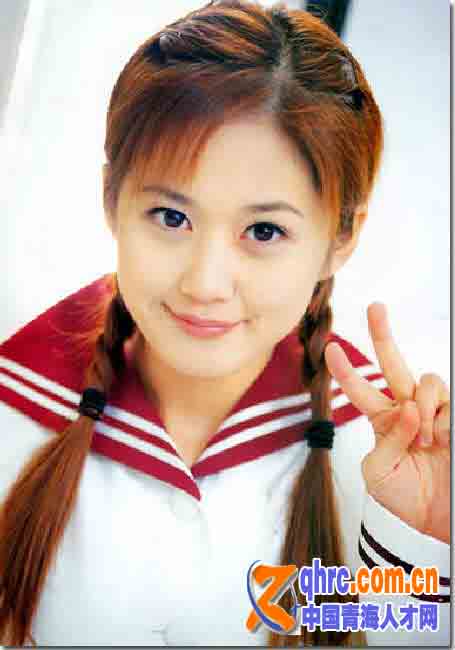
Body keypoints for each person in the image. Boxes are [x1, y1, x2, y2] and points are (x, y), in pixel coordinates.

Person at [0, 0, 450, 646]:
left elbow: (399, 627)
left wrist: (417, 544)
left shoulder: (390, 456)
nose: (205, 283)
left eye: (263, 231)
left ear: (341, 236)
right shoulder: (14, 407)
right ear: (111, 199)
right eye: (171, 217)